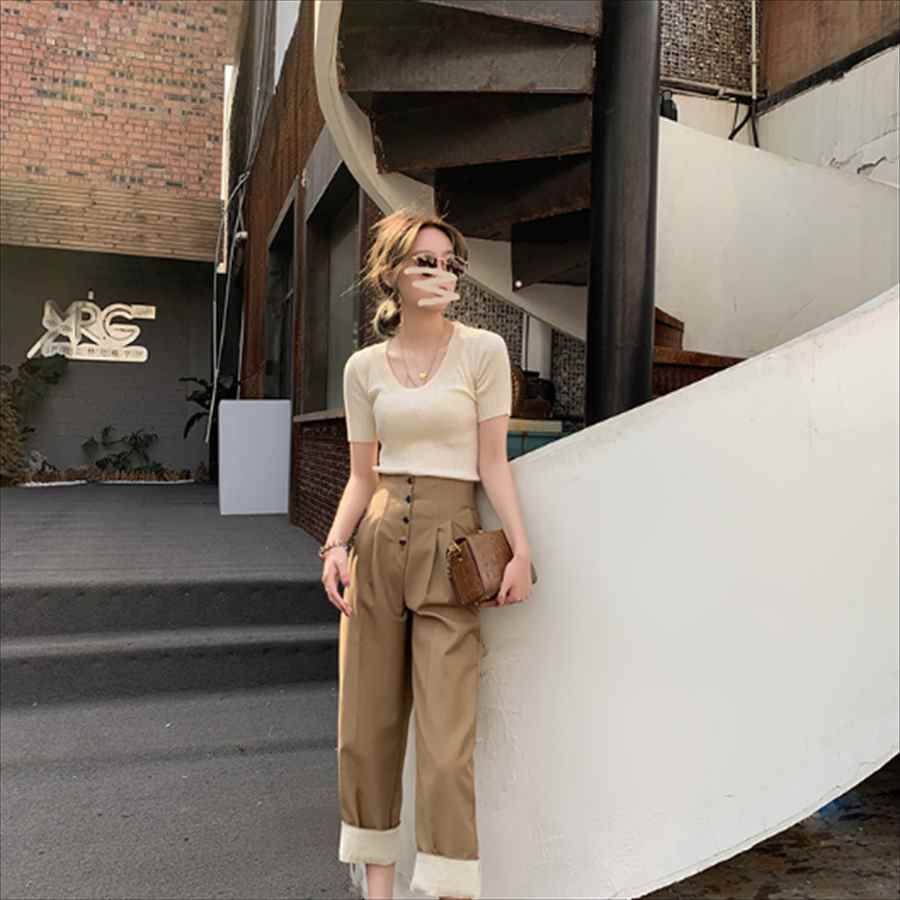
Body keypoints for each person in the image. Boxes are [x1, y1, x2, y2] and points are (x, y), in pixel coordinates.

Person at [319, 205, 534, 900]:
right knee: (366, 730)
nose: (441, 272)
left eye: (449, 263)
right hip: (379, 539)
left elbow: (493, 462)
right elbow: (361, 475)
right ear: (392, 274)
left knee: (446, 744)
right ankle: (377, 892)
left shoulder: (483, 352)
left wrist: (521, 550)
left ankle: (447, 889)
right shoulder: (363, 368)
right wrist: (335, 545)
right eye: (425, 261)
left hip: (450, 544)